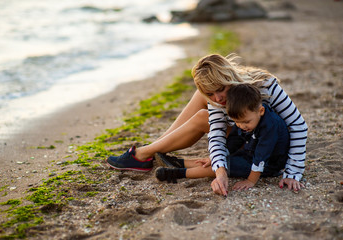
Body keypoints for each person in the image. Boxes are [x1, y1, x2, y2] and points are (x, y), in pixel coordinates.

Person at [107, 54, 308, 194]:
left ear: (229, 77)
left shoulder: (266, 86)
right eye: (211, 93)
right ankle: (154, 149)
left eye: (221, 88)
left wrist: (293, 173)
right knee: (203, 105)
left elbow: (298, 126)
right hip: (244, 138)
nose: (218, 98)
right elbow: (217, 136)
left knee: (203, 117)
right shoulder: (216, 98)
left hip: (270, 144)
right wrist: (220, 172)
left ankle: (145, 153)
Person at [155, 84, 290, 191]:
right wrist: (215, 158)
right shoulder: (244, 116)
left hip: (270, 164)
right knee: (221, 160)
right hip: (250, 151)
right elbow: (234, 141)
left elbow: (261, 156)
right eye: (238, 122)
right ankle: (178, 162)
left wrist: (250, 181)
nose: (242, 126)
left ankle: (177, 173)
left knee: (228, 165)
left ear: (261, 111)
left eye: (246, 122)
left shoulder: (269, 125)